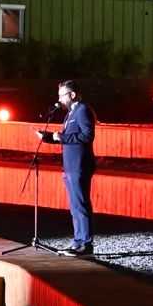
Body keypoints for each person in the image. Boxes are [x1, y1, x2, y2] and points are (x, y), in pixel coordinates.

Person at [37, 78, 98, 256]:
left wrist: (61, 137)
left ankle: (86, 244)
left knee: (80, 205)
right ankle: (77, 242)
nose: (60, 100)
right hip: (70, 166)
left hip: (80, 165)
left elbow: (87, 136)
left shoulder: (83, 110)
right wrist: (48, 137)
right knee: (74, 206)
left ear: (72, 94)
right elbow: (68, 137)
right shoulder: (69, 114)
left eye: (62, 95)